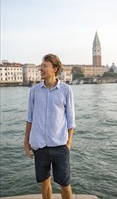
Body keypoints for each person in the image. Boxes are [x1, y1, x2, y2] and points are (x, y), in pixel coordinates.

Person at [24, 53, 76, 199]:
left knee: (65, 184)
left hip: (60, 145)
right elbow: (30, 118)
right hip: (39, 146)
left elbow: (71, 120)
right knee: (45, 182)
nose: (41, 68)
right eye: (41, 65)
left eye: (44, 66)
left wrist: (68, 144)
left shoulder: (66, 90)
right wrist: (26, 142)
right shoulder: (33, 91)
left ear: (54, 69)